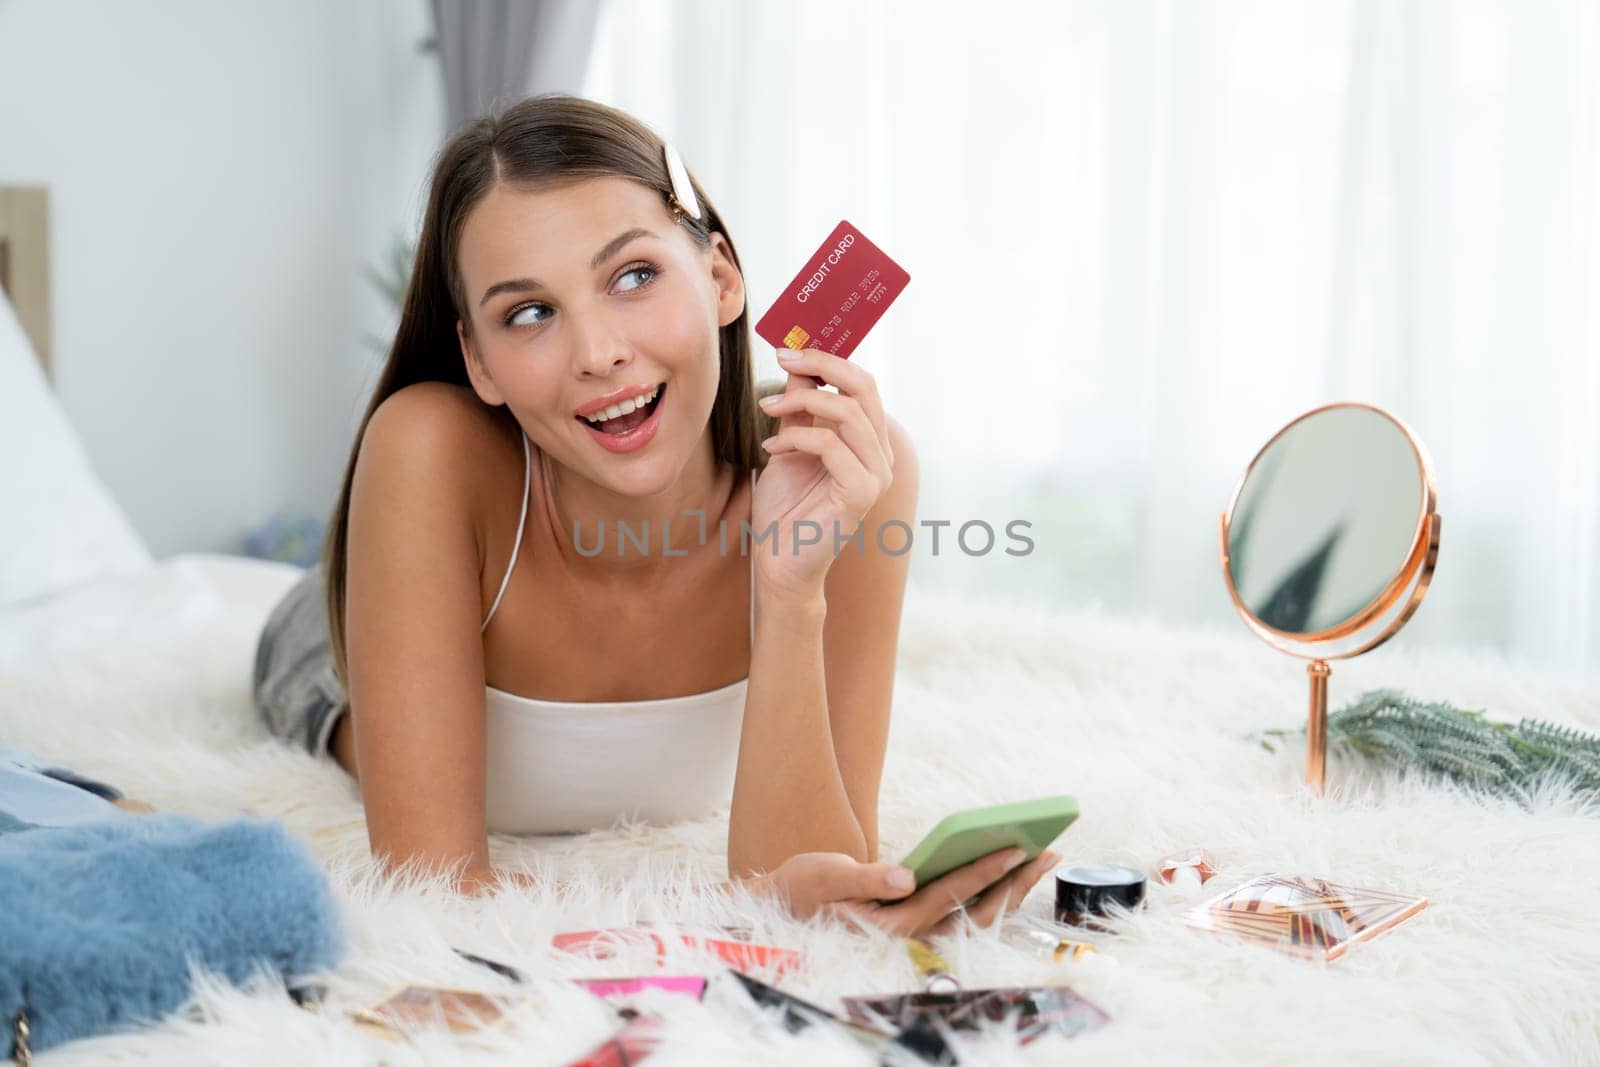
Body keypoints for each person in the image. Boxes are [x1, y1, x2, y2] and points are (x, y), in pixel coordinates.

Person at [252, 93, 1057, 937]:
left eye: (634, 276)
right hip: (324, 644)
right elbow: (431, 889)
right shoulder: (428, 448)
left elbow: (818, 887)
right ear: (477, 361)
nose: (599, 353)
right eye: (529, 313)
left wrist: (787, 591)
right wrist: (716, 923)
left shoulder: (845, 471)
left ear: (719, 278)